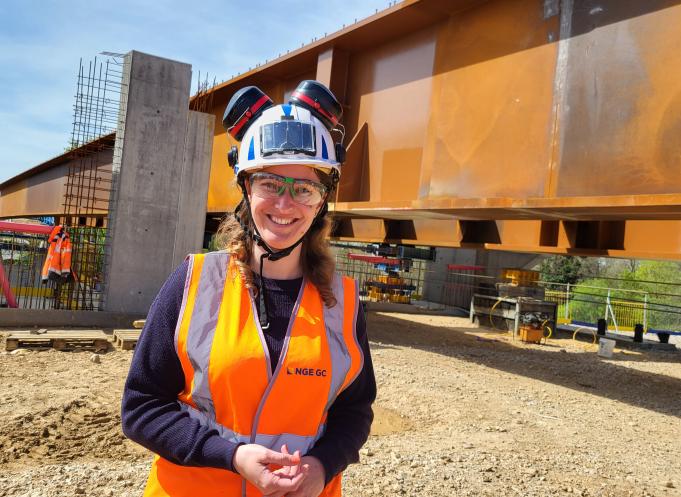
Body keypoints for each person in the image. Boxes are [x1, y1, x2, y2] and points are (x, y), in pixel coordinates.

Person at [121, 80, 376, 497]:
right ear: (245, 189)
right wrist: (232, 456)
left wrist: (321, 465)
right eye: (270, 184)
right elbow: (141, 407)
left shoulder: (344, 301)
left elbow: (355, 410)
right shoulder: (194, 283)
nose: (284, 203)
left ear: (321, 200)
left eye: (304, 188)